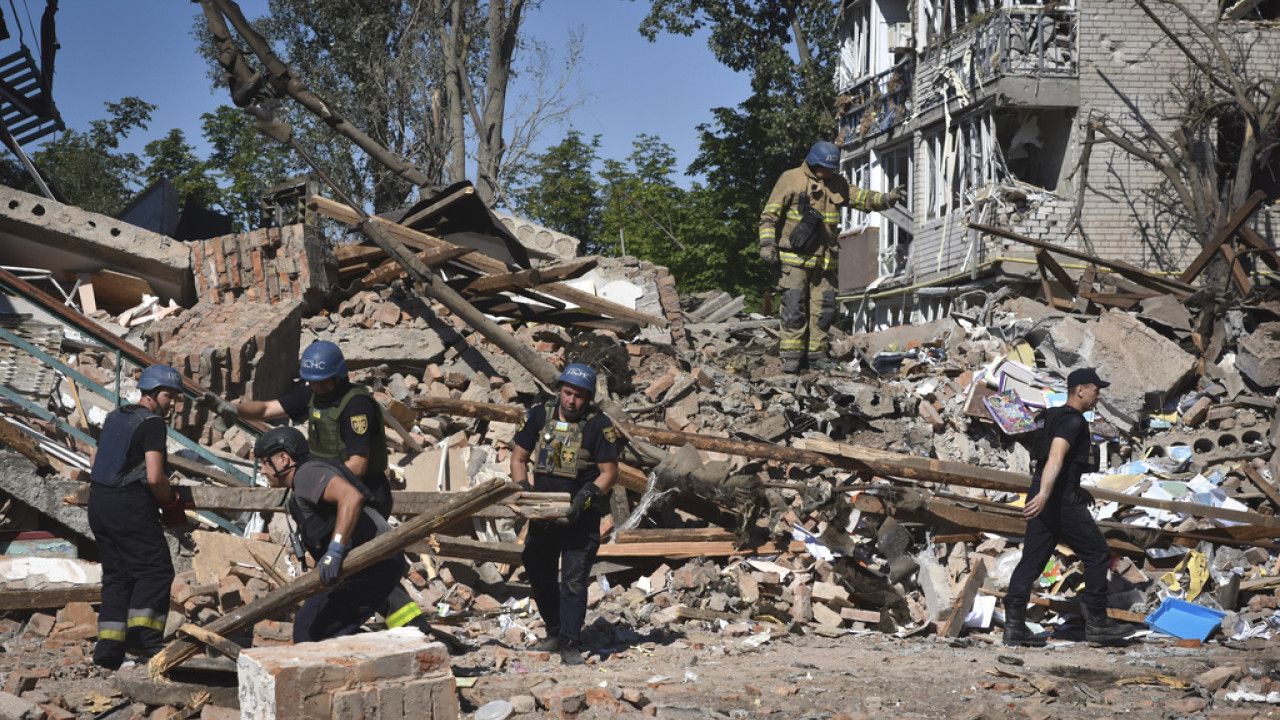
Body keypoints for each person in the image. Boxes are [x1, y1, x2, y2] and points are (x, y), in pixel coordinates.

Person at [1003, 368, 1134, 647]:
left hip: (1049, 495)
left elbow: (1055, 464)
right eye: (1096, 390)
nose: (1098, 396)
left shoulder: (1052, 418)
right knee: (1097, 553)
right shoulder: (1072, 421)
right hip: (1057, 500)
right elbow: (1055, 457)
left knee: (1032, 561)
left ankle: (1013, 627)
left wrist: (1072, 487)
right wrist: (1046, 495)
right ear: (1080, 390)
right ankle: (1097, 623)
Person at [253, 426, 416, 643]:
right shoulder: (302, 482)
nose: (263, 470)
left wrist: (335, 550)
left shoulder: (306, 475)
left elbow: (351, 497)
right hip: (363, 563)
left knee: (309, 631)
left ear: (284, 458)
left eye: (266, 462)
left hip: (373, 560)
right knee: (314, 628)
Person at [759, 140, 905, 373]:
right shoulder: (790, 179)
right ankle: (792, 357)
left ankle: (817, 356)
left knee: (824, 310)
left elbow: (862, 198)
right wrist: (767, 243)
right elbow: (769, 216)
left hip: (824, 261)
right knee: (793, 308)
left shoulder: (837, 184)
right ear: (812, 162)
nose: (828, 173)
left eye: (831, 170)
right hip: (794, 260)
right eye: (824, 169)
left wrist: (887, 199)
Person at [511, 363, 623, 665]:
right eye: (567, 392)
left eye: (578, 396)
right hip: (544, 514)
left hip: (580, 515)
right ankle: (556, 632)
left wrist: (584, 499)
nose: (571, 400)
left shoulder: (599, 424)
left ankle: (572, 643)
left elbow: (609, 472)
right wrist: (525, 492)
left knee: (574, 579)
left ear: (588, 398)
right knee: (536, 568)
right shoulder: (539, 413)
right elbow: (519, 458)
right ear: (560, 389)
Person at [89, 364, 190, 669]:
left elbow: (94, 458)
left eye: (175, 397)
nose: (172, 402)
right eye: (168, 395)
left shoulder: (116, 416)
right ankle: (144, 638)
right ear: (150, 394)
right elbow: (156, 476)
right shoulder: (153, 424)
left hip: (99, 501)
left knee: (118, 574)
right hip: (129, 505)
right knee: (155, 570)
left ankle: (108, 649)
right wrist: (170, 503)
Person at [230, 341, 392, 517]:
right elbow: (266, 409)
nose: (317, 387)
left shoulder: (356, 407)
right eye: (312, 382)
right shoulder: (313, 395)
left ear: (338, 377)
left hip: (364, 492)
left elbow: (358, 466)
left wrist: (313, 478)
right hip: (329, 487)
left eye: (323, 382)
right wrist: (234, 411)